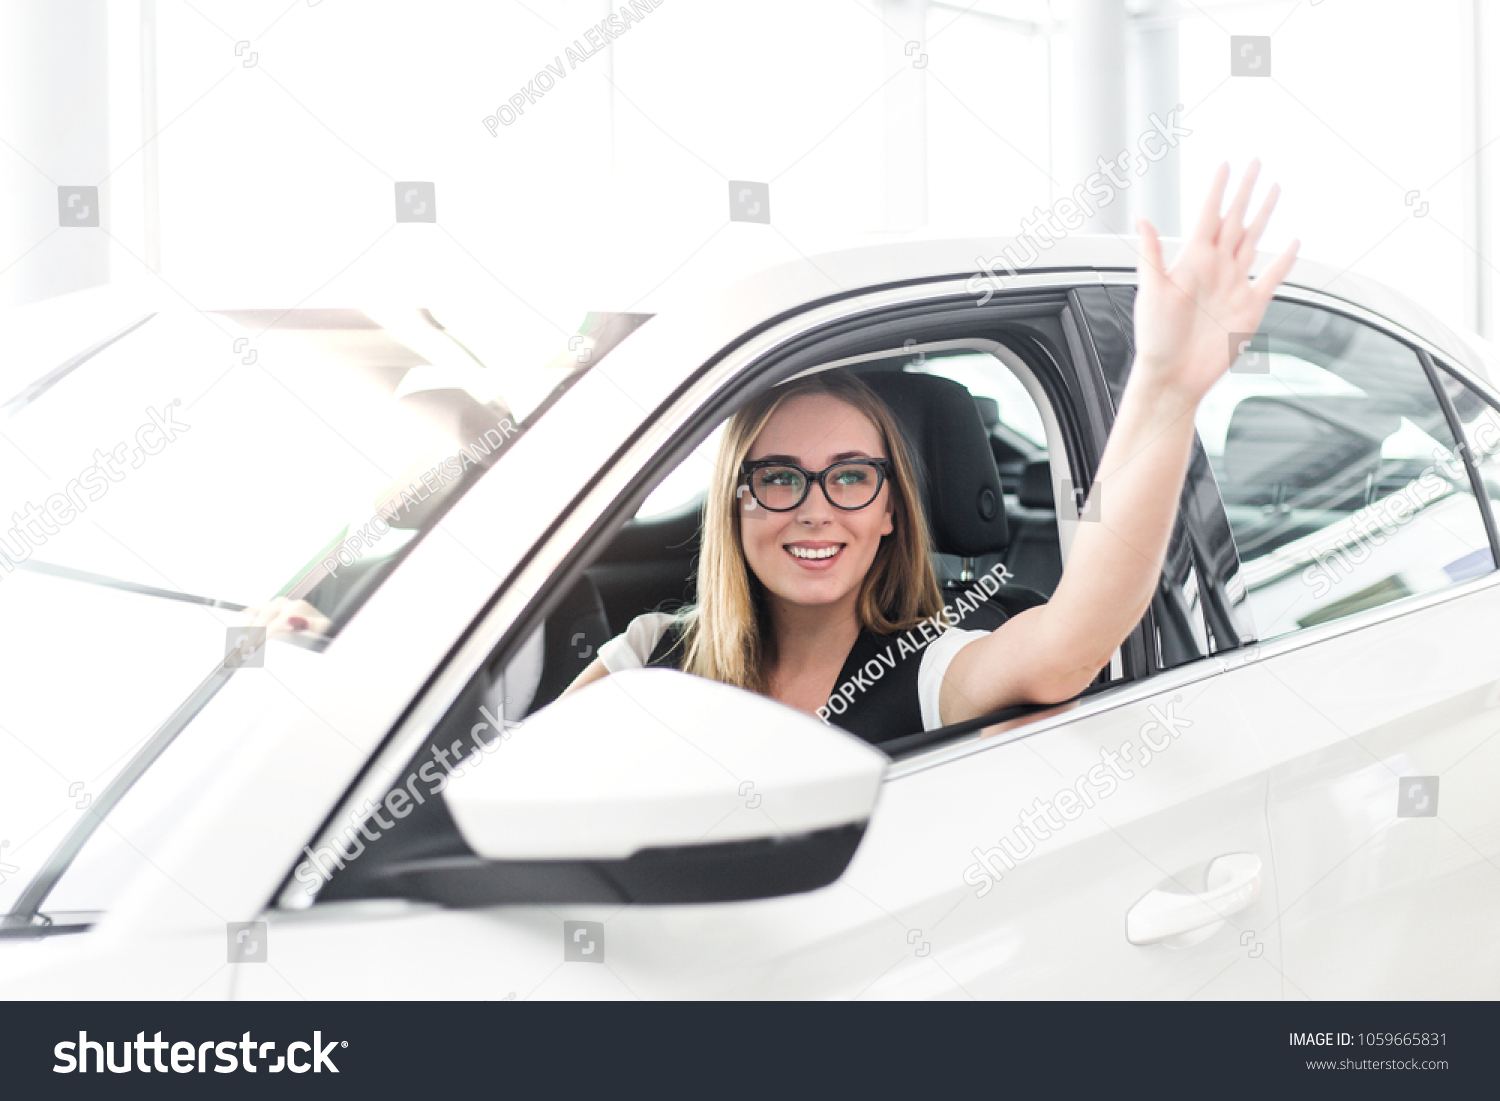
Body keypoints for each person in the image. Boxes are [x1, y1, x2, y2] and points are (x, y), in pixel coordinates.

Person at [562, 162, 1299, 741]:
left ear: (889, 509)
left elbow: (1071, 641)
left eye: (851, 476)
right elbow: (510, 785)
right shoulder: (654, 652)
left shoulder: (923, 668)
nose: (816, 511)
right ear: (737, 500)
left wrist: (1166, 389)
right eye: (781, 477)